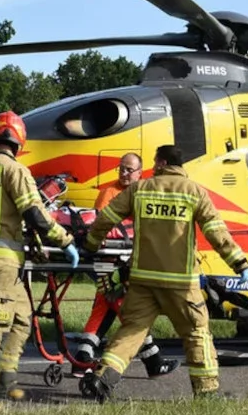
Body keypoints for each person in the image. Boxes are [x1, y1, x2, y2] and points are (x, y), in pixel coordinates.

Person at [81, 144, 248, 402]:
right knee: (196, 331)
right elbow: (216, 231)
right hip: (181, 283)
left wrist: (91, 245)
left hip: (142, 280)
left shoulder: (139, 190)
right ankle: (206, 391)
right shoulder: (195, 192)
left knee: (132, 329)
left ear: (160, 163)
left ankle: (103, 377)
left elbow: (105, 218)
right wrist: (239, 262)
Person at [0, 111, 78, 411]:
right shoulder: (15, 170)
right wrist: (65, 241)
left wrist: (32, 244)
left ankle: (6, 378)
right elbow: (36, 216)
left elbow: (2, 215)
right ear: (18, 141)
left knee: (22, 316)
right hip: (2, 259)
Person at [70, 153, 180, 379]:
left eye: (129, 169)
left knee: (104, 306)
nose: (124, 173)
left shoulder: (142, 192)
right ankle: (153, 360)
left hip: (128, 259)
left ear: (141, 172)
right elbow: (100, 225)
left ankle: (82, 358)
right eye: (121, 168)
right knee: (129, 311)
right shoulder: (109, 194)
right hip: (110, 261)